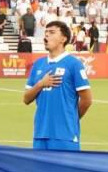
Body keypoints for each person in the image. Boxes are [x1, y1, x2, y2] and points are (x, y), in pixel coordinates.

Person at [23, 21, 92, 151]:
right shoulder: (38, 64)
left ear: (63, 38)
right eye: (46, 33)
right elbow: (26, 99)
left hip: (64, 136)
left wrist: (71, 120)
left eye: (52, 32)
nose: (46, 36)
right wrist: (40, 84)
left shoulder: (73, 64)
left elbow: (87, 100)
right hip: (40, 134)